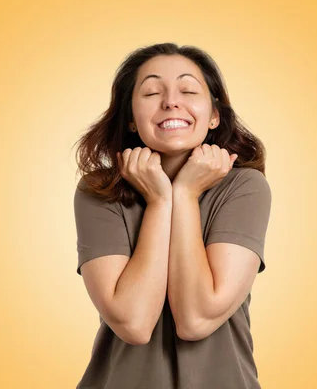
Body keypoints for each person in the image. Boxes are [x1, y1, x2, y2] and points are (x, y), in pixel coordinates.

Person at [72, 42, 272, 389]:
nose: (170, 101)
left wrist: (185, 193)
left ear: (214, 115)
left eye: (189, 89)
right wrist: (160, 201)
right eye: (151, 91)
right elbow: (133, 324)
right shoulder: (99, 190)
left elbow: (196, 319)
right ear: (131, 118)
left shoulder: (245, 188)